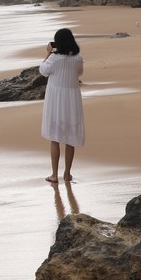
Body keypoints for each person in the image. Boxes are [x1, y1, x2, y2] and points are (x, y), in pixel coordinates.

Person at [39, 27, 84, 183]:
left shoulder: (54, 58)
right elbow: (79, 72)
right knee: (70, 138)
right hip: (72, 100)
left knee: (55, 138)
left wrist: (48, 53)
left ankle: (54, 174)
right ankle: (67, 173)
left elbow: (43, 71)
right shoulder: (78, 58)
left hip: (56, 99)